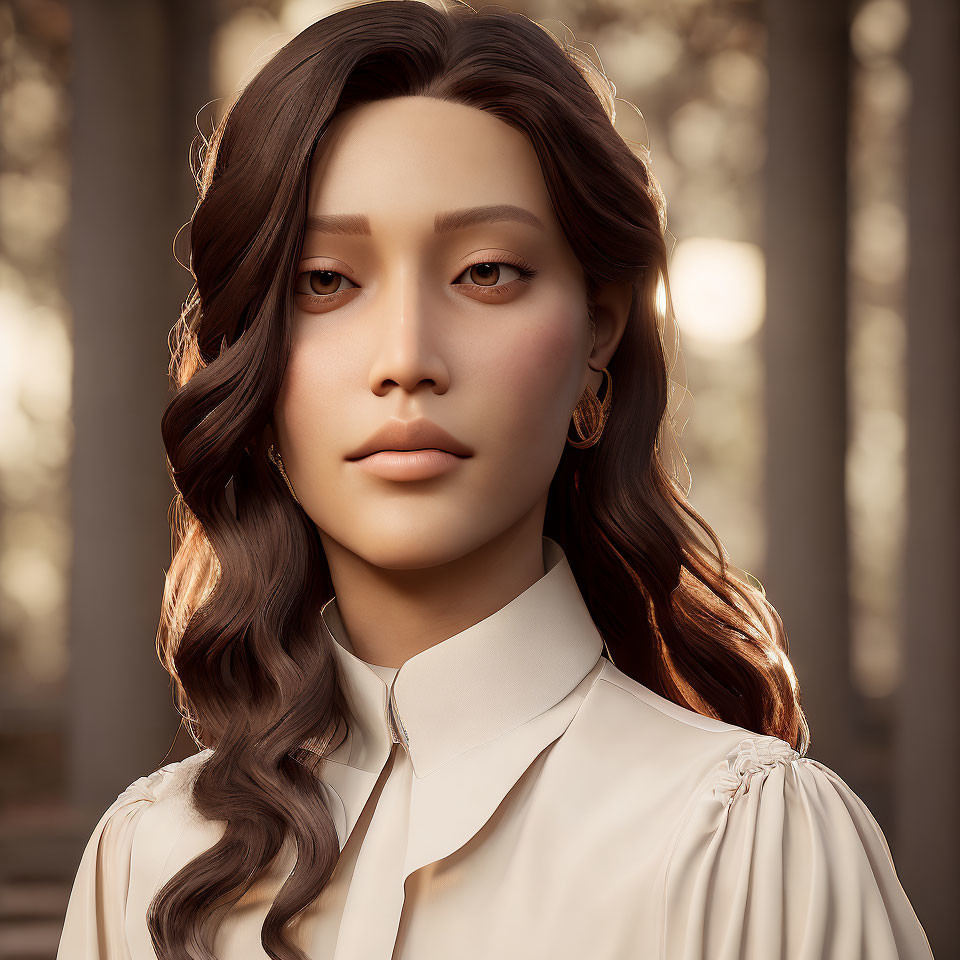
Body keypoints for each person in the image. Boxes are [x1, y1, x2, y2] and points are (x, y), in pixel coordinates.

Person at [56, 1, 934, 957]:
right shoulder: (148, 857)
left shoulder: (748, 842)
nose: (406, 358)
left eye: (485, 272)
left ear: (598, 336)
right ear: (251, 358)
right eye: (324, 280)